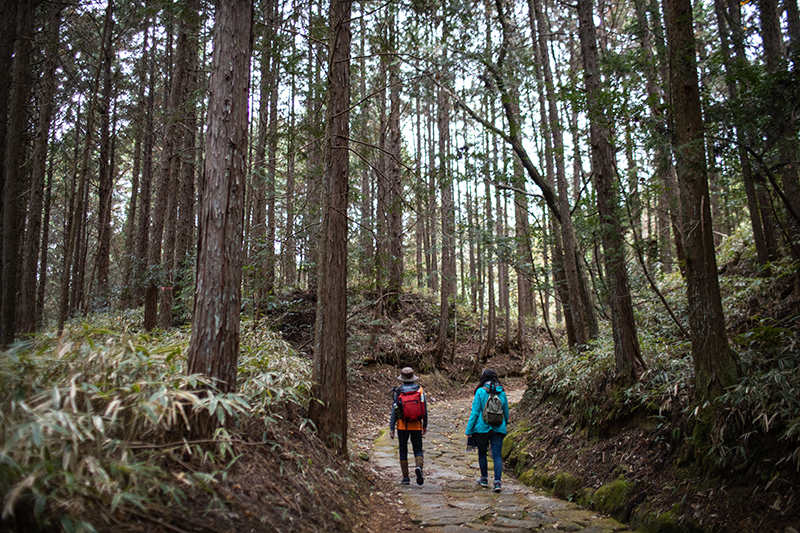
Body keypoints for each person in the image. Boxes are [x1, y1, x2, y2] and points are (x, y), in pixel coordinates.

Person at [465, 368, 510, 492]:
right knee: (496, 455)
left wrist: (469, 430)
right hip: (498, 428)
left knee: (482, 453)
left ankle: (484, 479)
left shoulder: (480, 392)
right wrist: (503, 424)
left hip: (482, 428)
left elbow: (474, 412)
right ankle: (497, 482)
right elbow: (506, 411)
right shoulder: (501, 392)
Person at [389, 367, 428, 485]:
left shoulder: (398, 391)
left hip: (402, 425)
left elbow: (394, 410)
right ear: (413, 378)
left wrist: (392, 427)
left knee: (403, 449)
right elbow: (424, 409)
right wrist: (424, 424)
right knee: (418, 449)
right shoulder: (420, 391)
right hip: (416, 424)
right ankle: (419, 467)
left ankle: (405, 477)